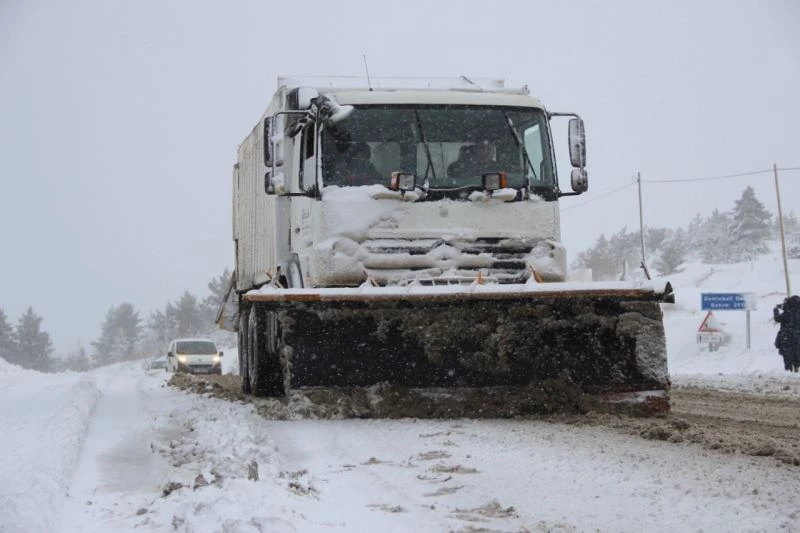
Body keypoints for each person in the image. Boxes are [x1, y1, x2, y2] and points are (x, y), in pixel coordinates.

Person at [773, 295, 800, 372]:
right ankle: (796, 368)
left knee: (788, 355)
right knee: (797, 353)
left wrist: (775, 310)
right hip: (798, 338)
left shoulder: (788, 312)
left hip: (786, 338)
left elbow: (777, 318)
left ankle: (789, 371)